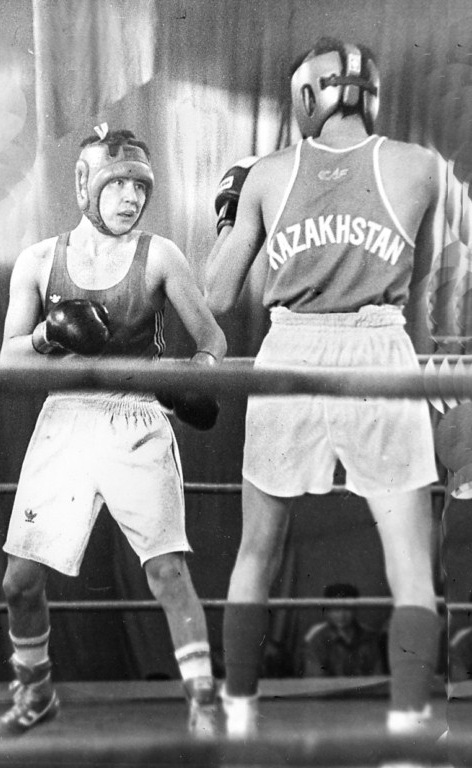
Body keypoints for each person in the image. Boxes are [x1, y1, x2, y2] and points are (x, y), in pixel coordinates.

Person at [205, 38, 440, 738]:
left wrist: (230, 213)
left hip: (292, 351)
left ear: (307, 96)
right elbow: (421, 296)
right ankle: (408, 728)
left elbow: (216, 296)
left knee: (257, 550)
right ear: (370, 93)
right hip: (382, 350)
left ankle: (239, 720)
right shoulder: (419, 167)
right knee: (409, 562)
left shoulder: (268, 174)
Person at [0, 123, 227, 739]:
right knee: (19, 582)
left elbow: (212, 337)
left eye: (140, 187)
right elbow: (9, 357)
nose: (130, 198)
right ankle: (35, 695)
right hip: (66, 416)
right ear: (86, 186)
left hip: (137, 416)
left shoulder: (160, 255)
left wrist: (197, 378)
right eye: (117, 185)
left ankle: (205, 705)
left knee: (167, 572)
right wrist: (49, 334)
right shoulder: (40, 260)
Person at [302, 584, 386, 678]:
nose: (341, 615)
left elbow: (377, 675)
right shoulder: (318, 641)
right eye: (335, 609)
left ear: (355, 609)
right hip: (330, 688)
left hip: (366, 687)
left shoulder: (369, 638)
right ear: (327, 611)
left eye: (347, 608)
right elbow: (315, 680)